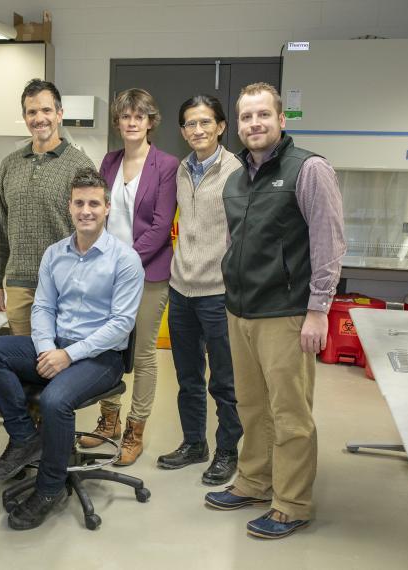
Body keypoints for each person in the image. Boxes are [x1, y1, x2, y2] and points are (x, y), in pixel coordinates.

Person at [204, 82, 345, 540]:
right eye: (247, 117)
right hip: (241, 310)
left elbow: (329, 241)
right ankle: (255, 481)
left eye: (263, 115)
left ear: (281, 119)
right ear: (238, 126)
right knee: (252, 406)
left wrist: (319, 309)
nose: (255, 124)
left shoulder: (308, 169)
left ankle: (293, 502)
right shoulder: (236, 178)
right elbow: (235, 242)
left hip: (286, 312)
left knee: (290, 413)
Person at [0, 168, 144, 530]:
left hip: (101, 357)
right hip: (57, 346)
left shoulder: (126, 260)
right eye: (79, 203)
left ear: (106, 209)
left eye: (94, 203)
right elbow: (43, 308)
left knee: (54, 400)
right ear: (69, 206)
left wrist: (68, 355)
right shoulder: (55, 254)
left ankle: (49, 488)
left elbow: (121, 325)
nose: (86, 210)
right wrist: (47, 348)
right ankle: (24, 438)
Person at [77, 89, 178, 466]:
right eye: (125, 116)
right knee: (107, 346)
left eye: (140, 116)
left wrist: (124, 264)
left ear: (151, 122)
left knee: (142, 352)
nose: (132, 122)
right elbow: (98, 213)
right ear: (118, 122)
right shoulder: (109, 161)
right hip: (106, 270)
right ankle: (109, 421)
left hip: (148, 273)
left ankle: (136, 428)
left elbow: (160, 224)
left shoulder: (166, 165)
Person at [156, 95, 244, 486]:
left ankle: (227, 449)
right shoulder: (179, 170)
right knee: (188, 376)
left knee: (223, 379)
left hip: (218, 292)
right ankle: (195, 443)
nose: (198, 130)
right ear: (182, 130)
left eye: (206, 122)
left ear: (221, 126)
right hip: (181, 289)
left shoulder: (236, 171)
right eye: (190, 124)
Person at [0, 79, 95, 335]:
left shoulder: (80, 165)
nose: (39, 118)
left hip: (65, 285)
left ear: (59, 114)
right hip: (19, 286)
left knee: (59, 363)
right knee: (24, 361)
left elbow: (93, 230)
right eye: (32, 112)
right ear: (24, 117)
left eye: (46, 110)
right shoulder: (9, 165)